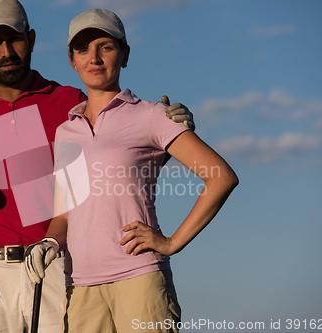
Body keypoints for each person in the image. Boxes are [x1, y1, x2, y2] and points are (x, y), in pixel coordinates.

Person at [0, 1, 194, 332]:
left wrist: (171, 135)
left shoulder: (69, 102)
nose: (6, 51)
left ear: (31, 39)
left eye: (15, 39)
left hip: (56, 266)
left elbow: (121, 159)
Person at [24, 8, 239, 333]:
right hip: (81, 288)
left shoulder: (152, 115)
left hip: (139, 280)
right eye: (83, 49)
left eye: (106, 47)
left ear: (124, 54)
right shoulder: (66, 132)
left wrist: (171, 242)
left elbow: (221, 176)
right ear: (72, 59)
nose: (94, 57)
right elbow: (65, 214)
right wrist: (50, 243)